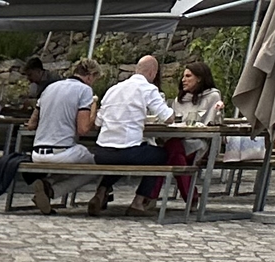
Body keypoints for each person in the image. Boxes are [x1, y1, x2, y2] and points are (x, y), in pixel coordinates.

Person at [90, 52, 175, 211]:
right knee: (160, 155)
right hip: (127, 151)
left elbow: (97, 123)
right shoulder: (147, 89)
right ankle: (138, 202)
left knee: (120, 156)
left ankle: (101, 192)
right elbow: (168, 118)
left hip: (102, 152)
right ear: (152, 73)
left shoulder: (113, 89)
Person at [27, 58, 99, 211]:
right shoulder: (85, 90)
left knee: (73, 165)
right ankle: (52, 190)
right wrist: (93, 108)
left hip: (37, 152)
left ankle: (48, 183)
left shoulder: (49, 88)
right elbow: (83, 129)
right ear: (90, 76)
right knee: (95, 166)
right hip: (62, 151)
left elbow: (31, 124)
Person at [163, 58, 223, 202]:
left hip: (201, 142)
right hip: (180, 140)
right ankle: (191, 197)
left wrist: (219, 112)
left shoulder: (212, 96)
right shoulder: (179, 100)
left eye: (188, 76)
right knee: (174, 154)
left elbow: (213, 123)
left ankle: (148, 198)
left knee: (167, 154)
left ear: (200, 79)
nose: (183, 80)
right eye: (183, 76)